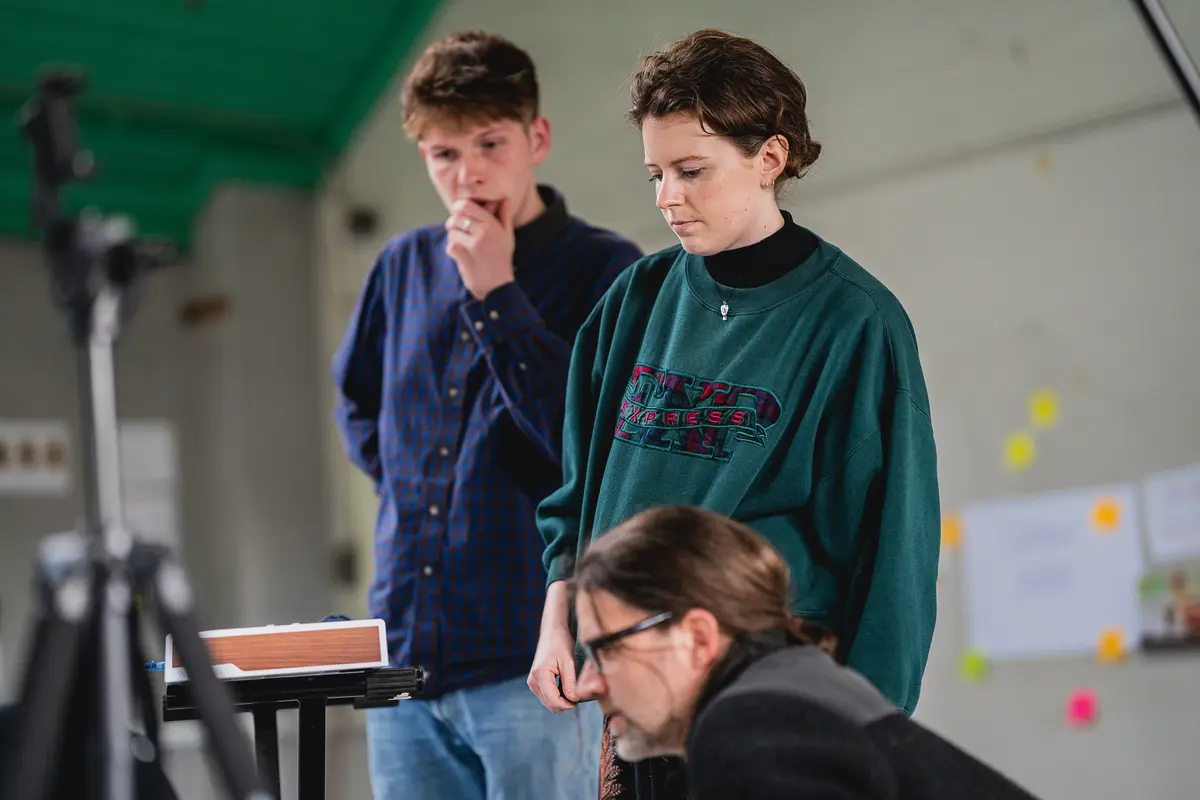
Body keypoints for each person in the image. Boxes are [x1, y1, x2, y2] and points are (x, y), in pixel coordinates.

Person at [528, 28, 941, 798]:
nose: (665, 197)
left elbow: (894, 559)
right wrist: (560, 621)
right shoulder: (632, 304)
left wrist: (870, 737)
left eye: (691, 171)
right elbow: (574, 496)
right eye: (655, 172)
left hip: (773, 710)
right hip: (635, 712)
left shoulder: (854, 323)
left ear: (771, 158)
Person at [332, 30, 642, 800]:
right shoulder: (400, 268)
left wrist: (497, 294)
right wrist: (429, 492)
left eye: (489, 142)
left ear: (536, 138)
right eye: (442, 154)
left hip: (532, 666)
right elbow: (358, 408)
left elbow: (598, 448)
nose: (467, 174)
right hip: (403, 664)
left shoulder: (609, 271)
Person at [572, 505, 1041, 800]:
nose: (588, 683)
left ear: (697, 638)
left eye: (605, 650)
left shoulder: (751, 729)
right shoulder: (789, 690)